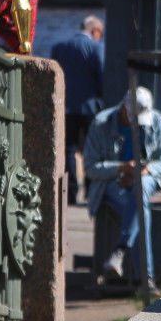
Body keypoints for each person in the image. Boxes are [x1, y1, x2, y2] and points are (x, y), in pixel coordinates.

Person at [84, 86, 161, 288]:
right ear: (123, 108)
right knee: (141, 208)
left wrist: (145, 171)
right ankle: (146, 279)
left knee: (141, 191)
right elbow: (90, 168)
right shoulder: (101, 123)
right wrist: (121, 168)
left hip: (145, 180)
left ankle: (120, 251)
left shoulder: (156, 121)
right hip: (113, 182)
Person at [49, 15, 105, 205]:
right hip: (90, 108)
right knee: (91, 149)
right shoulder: (96, 48)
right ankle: (90, 191)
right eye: (101, 34)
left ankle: (70, 192)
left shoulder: (60, 48)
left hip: (65, 107)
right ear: (95, 31)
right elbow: (101, 76)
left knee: (68, 149)